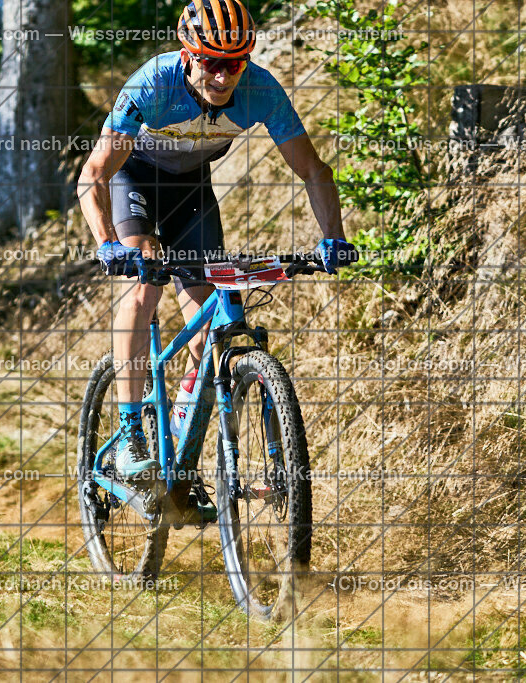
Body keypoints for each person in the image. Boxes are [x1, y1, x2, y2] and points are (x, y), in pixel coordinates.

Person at [77, 0, 358, 480]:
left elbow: (314, 170)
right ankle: (129, 433)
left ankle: (180, 463)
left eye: (235, 63)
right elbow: (96, 173)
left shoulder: (261, 90)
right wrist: (108, 244)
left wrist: (333, 238)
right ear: (188, 55)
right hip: (135, 178)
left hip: (191, 189)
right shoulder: (153, 83)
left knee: (207, 331)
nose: (224, 76)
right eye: (211, 62)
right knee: (144, 283)